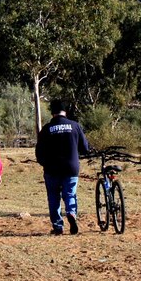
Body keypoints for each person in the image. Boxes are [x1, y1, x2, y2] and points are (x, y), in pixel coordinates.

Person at [35, 99, 90, 235]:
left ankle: (58, 226)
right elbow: (85, 148)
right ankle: (71, 213)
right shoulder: (75, 126)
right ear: (65, 111)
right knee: (70, 193)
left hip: (51, 169)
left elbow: (39, 152)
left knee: (53, 197)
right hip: (71, 168)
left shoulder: (46, 129)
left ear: (52, 112)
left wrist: (44, 163)